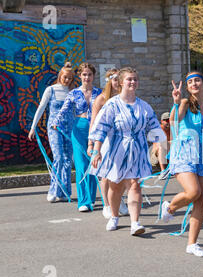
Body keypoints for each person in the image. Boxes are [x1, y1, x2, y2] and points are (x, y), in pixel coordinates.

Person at [90, 67, 165, 234]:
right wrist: (96, 150)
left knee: (135, 185)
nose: (132, 82)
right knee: (115, 187)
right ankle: (114, 216)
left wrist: (159, 145)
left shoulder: (143, 106)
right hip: (116, 150)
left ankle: (135, 222)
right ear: (121, 82)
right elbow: (100, 128)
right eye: (129, 79)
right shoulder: (112, 105)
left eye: (135, 79)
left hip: (137, 151)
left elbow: (154, 127)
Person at [160, 72, 203, 257]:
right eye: (190, 82)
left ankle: (192, 243)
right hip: (184, 151)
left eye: (197, 80)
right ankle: (169, 207)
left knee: (201, 201)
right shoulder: (185, 103)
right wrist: (176, 102)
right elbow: (174, 121)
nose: (194, 83)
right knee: (193, 192)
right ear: (187, 87)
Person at [52, 62, 102, 212]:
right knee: (81, 166)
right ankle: (83, 201)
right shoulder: (73, 93)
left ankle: (91, 198)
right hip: (79, 129)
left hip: (95, 129)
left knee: (93, 164)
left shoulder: (99, 93)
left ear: (93, 76)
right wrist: (56, 122)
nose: (87, 77)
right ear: (80, 76)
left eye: (90, 74)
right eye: (84, 74)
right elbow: (64, 110)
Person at [28, 62, 75, 203]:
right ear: (60, 75)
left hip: (69, 128)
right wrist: (33, 126)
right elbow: (41, 107)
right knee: (59, 157)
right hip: (54, 128)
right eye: (65, 77)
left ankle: (64, 191)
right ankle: (53, 190)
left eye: (69, 78)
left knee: (68, 161)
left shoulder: (72, 92)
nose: (66, 80)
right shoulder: (51, 90)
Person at [87, 68, 128, 219]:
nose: (118, 83)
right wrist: (91, 144)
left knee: (123, 174)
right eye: (115, 79)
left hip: (122, 140)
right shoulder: (102, 99)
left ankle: (118, 200)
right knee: (105, 174)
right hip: (105, 141)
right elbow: (94, 123)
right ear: (110, 80)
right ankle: (106, 204)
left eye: (120, 79)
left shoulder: (126, 98)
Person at [149, 111, 171, 179]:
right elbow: (159, 143)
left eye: (170, 120)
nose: (168, 122)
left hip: (167, 154)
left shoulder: (173, 129)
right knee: (162, 146)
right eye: (166, 120)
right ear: (162, 121)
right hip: (156, 156)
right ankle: (163, 171)